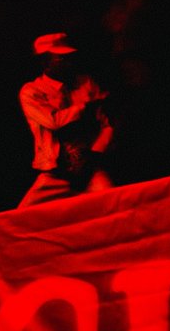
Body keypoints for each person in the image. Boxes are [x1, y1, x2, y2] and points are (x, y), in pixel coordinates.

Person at [19, 33, 114, 206]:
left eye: (69, 57)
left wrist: (94, 156)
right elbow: (52, 121)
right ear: (45, 62)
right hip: (55, 174)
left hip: (90, 169)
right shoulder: (31, 91)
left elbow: (106, 125)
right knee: (23, 216)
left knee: (113, 204)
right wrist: (85, 108)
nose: (68, 62)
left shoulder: (86, 83)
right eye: (60, 58)